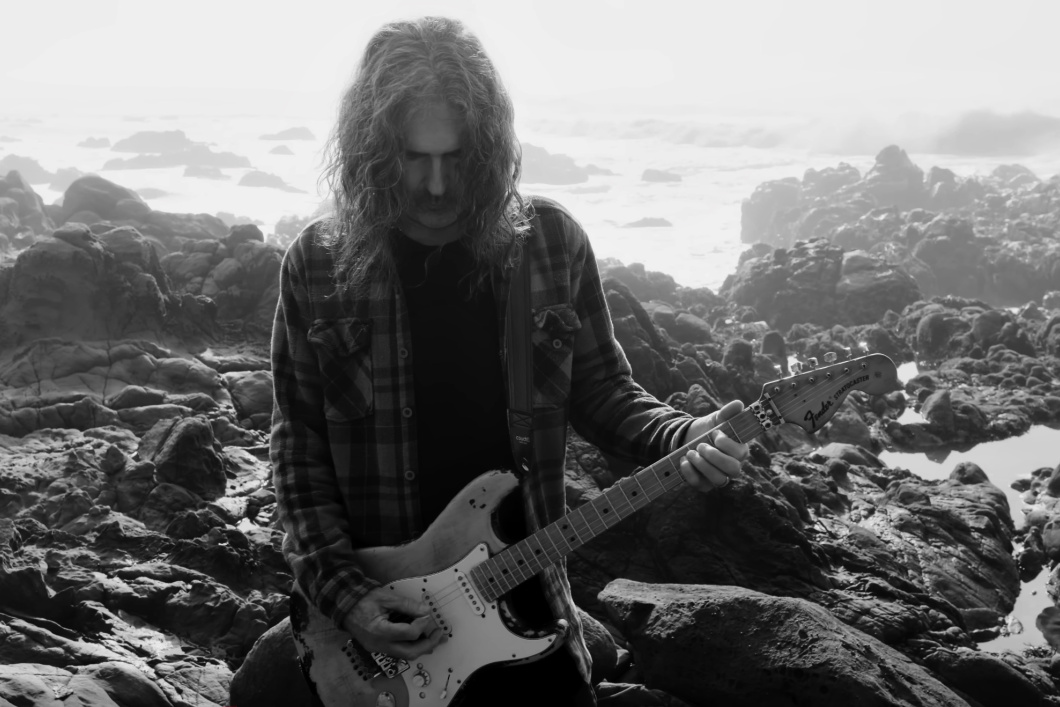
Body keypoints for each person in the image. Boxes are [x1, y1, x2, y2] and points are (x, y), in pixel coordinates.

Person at [270, 16, 750, 707]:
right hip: (392, 636)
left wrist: (683, 435)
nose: (438, 185)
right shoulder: (317, 265)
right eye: (413, 158)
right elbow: (298, 453)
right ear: (371, 152)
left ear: (492, 148)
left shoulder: (550, 243)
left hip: (533, 612)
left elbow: (604, 392)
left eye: (459, 157)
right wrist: (349, 598)